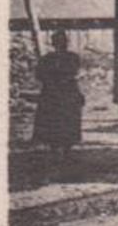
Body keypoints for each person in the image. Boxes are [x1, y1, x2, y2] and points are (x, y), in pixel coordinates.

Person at [33, 30, 83, 158]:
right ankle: (55, 149)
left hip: (66, 93)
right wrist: (52, 81)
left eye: (63, 41)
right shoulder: (47, 59)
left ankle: (66, 149)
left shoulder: (72, 57)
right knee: (53, 122)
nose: (62, 44)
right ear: (54, 43)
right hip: (53, 93)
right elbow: (39, 75)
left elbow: (74, 72)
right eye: (59, 42)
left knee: (68, 121)